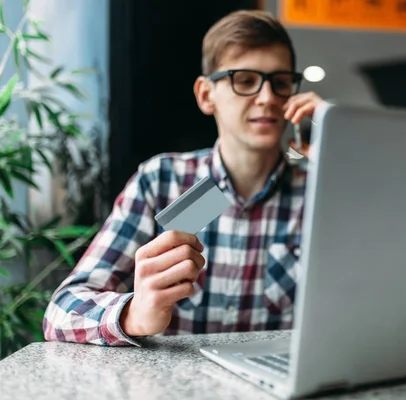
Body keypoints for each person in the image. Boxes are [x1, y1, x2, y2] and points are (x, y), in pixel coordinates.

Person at [42, 9, 326, 346]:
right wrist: (132, 313)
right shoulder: (162, 182)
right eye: (245, 80)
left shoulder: (320, 189)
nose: (267, 98)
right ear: (206, 95)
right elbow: (61, 312)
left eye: (280, 83)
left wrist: (343, 149)